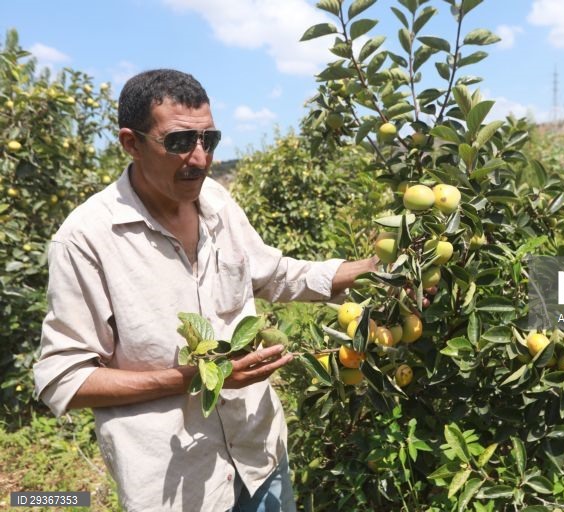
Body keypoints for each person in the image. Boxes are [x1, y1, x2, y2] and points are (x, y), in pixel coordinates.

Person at [33, 69, 376, 512]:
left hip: (260, 457)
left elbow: (273, 274)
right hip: (178, 487)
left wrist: (370, 271)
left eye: (209, 140)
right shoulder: (87, 239)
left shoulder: (216, 201)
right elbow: (66, 378)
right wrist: (201, 377)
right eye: (179, 141)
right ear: (131, 143)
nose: (200, 158)